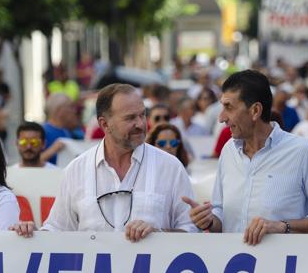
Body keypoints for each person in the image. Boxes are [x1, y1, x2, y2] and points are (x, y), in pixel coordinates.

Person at [10, 84, 197, 241]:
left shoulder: (170, 167)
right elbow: (58, 228)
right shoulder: (76, 170)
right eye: (130, 118)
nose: (141, 124)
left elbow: (191, 231)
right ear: (104, 124)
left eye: (142, 115)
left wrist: (159, 235)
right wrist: (32, 235)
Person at [182, 70, 308, 245]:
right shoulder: (228, 151)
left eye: (229, 107)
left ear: (255, 110)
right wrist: (208, 220)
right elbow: (220, 213)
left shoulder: (303, 152)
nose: (221, 118)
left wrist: (281, 226)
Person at [42, 93, 78, 165]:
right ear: (59, 110)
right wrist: (52, 150)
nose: (74, 111)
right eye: (70, 107)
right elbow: (31, 162)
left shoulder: (67, 131)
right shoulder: (43, 131)